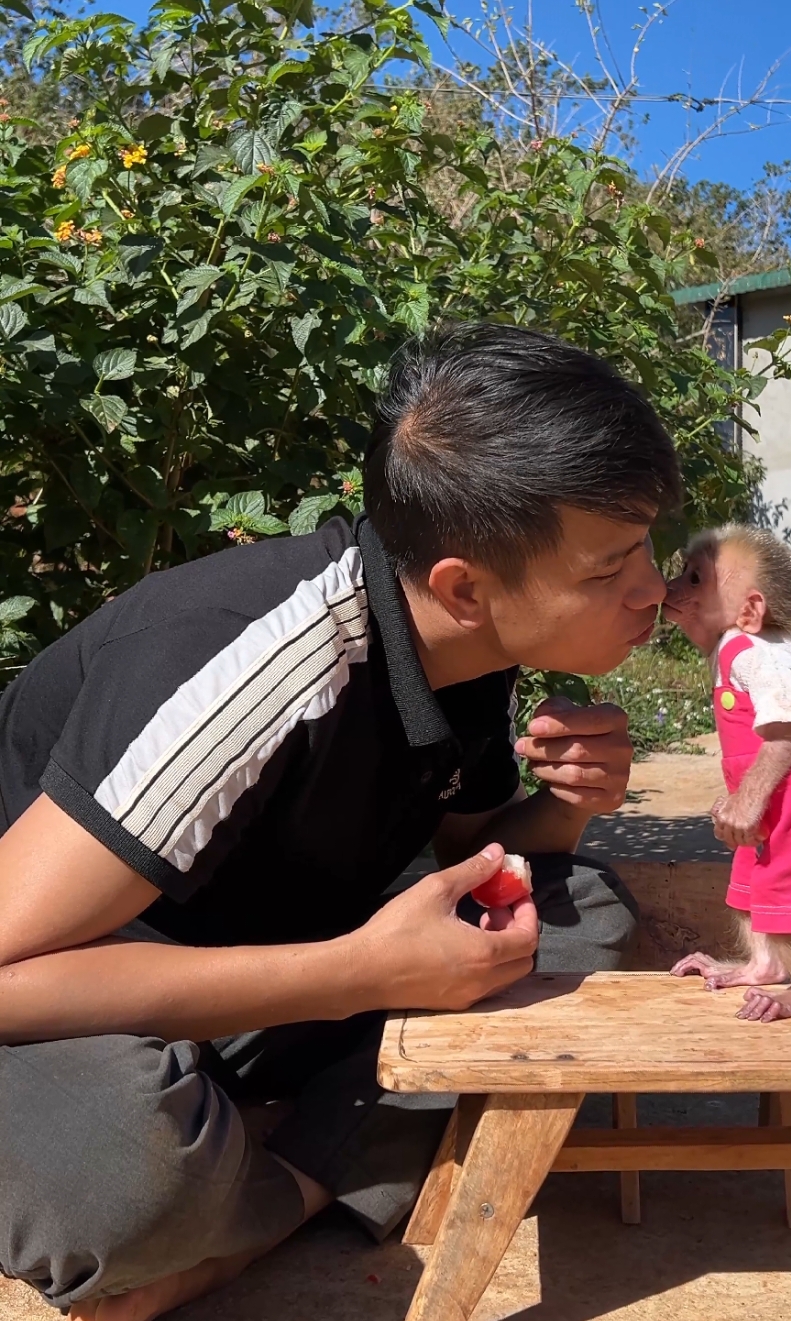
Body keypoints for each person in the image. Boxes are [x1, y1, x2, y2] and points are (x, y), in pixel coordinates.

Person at [0, 321, 680, 1320]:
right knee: (123, 1171)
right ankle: (280, 1170)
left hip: (243, 985)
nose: (651, 589)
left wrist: (568, 806)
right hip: (60, 1001)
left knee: (575, 914)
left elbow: (474, 854)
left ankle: (255, 1199)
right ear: (465, 586)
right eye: (608, 567)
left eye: (648, 546)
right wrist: (358, 973)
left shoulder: (462, 657)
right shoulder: (253, 660)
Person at [662, 524, 791, 1022]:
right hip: (783, 781)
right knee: (751, 878)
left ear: (749, 610)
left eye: (695, 580)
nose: (673, 588)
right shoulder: (737, 647)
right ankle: (764, 963)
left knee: (784, 885)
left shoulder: (759, 649)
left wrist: (749, 798)